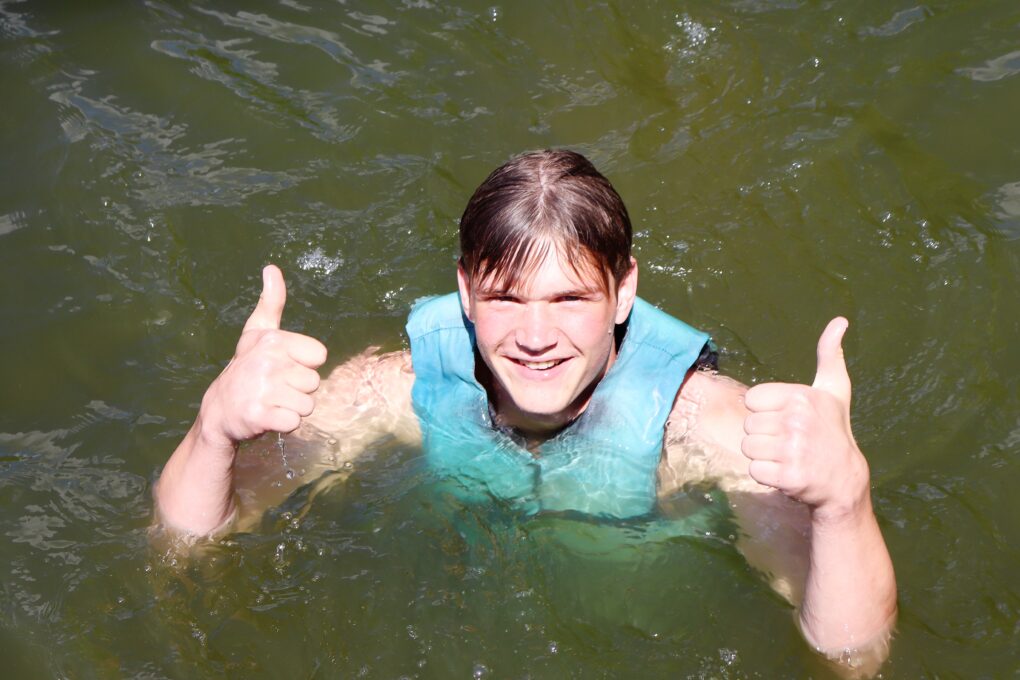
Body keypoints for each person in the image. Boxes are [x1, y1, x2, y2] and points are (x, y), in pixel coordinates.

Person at [154, 150, 896, 675]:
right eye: (507, 298)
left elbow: (850, 656)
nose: (536, 338)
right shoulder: (399, 388)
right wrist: (212, 428)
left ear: (624, 291)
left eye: (570, 300)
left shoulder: (701, 425)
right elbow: (186, 547)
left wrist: (844, 501)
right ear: (467, 292)